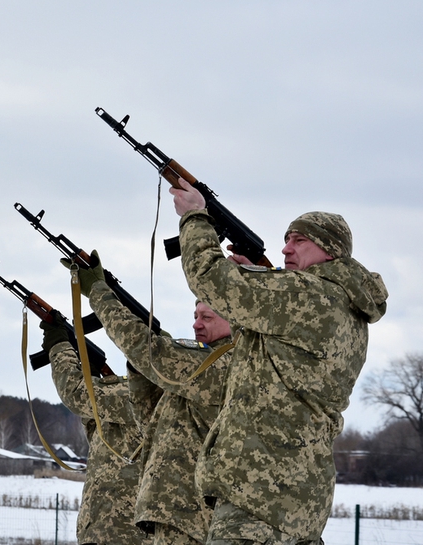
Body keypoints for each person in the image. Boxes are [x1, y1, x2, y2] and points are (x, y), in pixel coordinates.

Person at [170, 178, 388, 545]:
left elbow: (208, 278)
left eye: (300, 241)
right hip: (299, 503)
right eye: (287, 238)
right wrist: (251, 285)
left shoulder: (309, 294)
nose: (286, 249)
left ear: (330, 250)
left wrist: (195, 217)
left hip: (256, 499)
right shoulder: (345, 309)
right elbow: (272, 355)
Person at [65, 254, 234, 545]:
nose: (196, 325)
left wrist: (99, 293)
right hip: (173, 518)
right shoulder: (203, 365)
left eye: (207, 317)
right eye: (195, 316)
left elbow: (149, 350)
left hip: (194, 520)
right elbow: (148, 417)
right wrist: (142, 369)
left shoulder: (226, 365)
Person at [41, 313, 148, 545]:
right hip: (105, 528)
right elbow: (98, 430)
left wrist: (59, 345)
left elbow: (75, 391)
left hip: (119, 532)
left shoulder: (137, 397)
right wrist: (90, 373)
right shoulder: (132, 397)